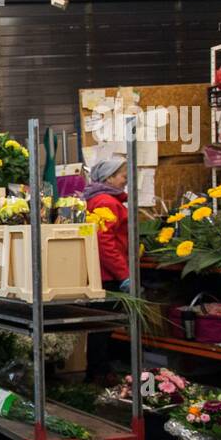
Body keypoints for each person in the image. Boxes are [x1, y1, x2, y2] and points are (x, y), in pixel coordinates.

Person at [83, 158, 130, 383]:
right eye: (122, 174)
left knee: (100, 327)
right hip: (107, 275)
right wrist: (124, 274)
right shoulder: (106, 202)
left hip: (103, 273)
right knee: (103, 327)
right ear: (109, 178)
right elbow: (105, 243)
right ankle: (100, 373)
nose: (125, 178)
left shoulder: (101, 199)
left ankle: (98, 372)